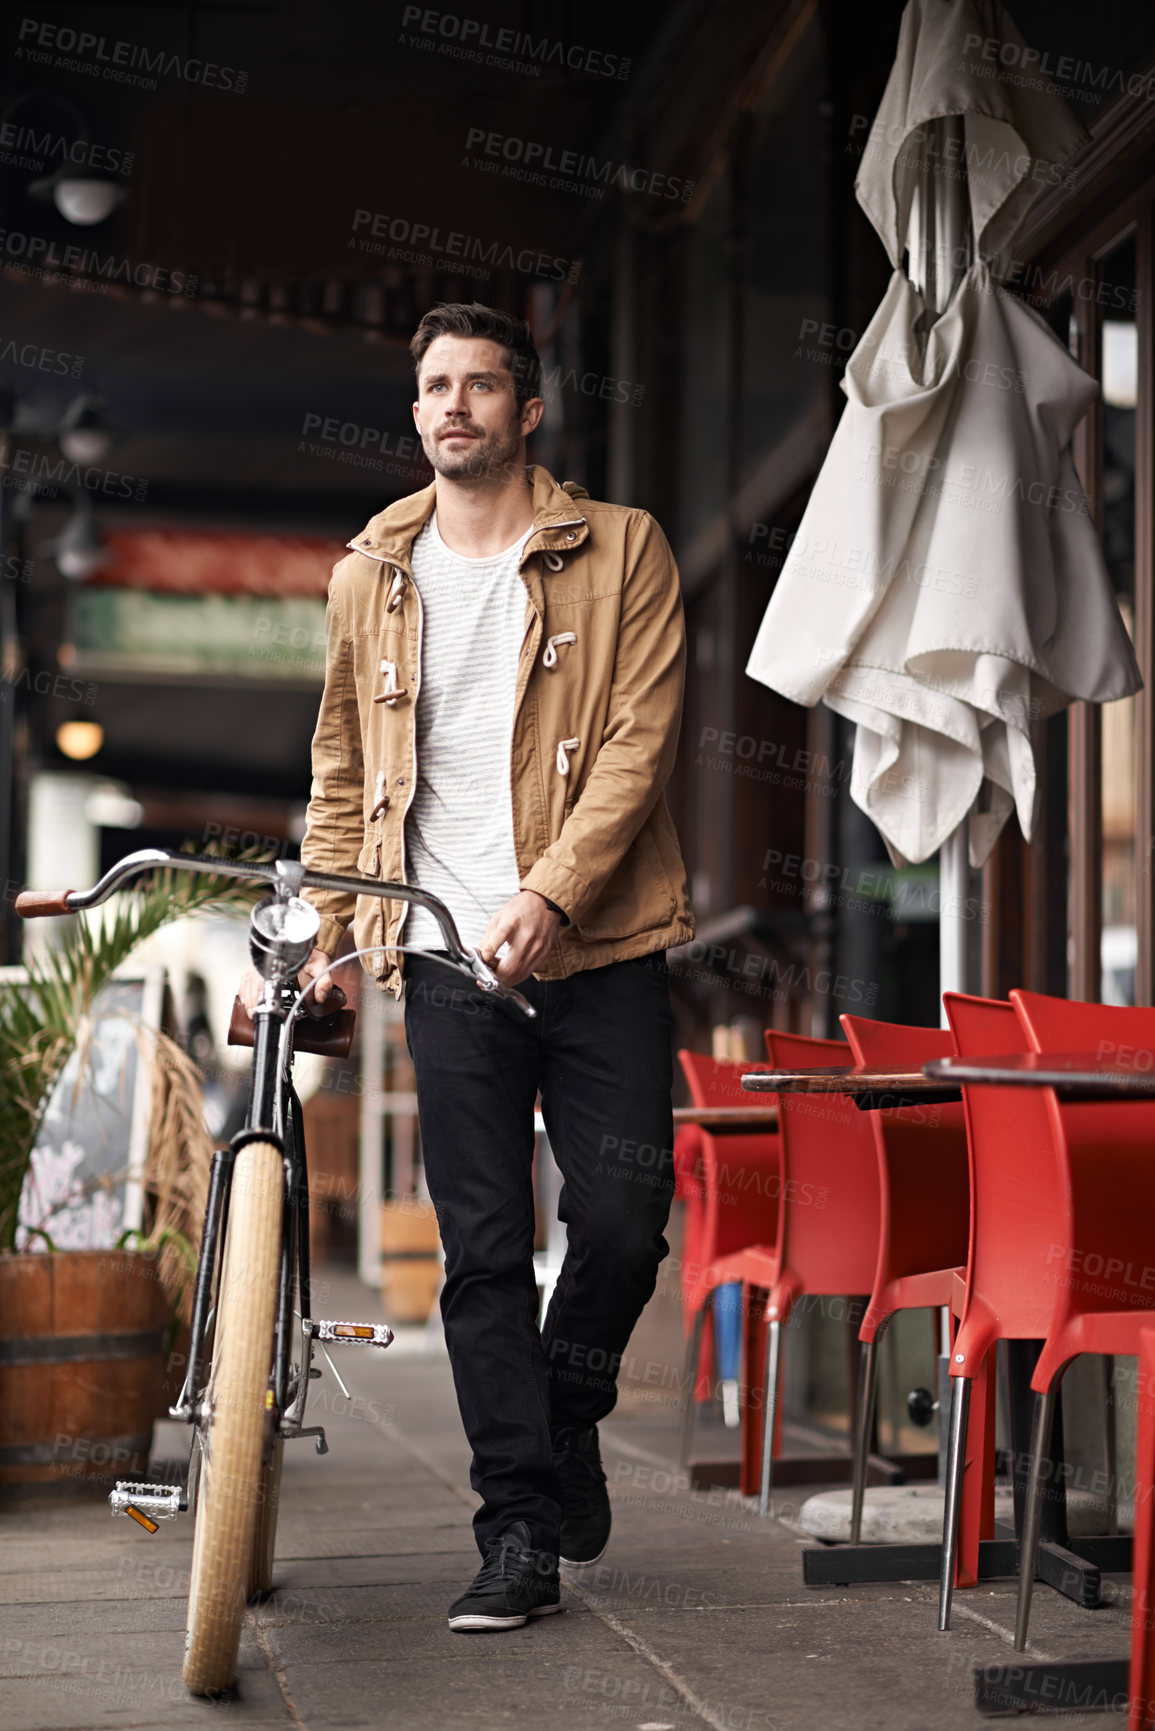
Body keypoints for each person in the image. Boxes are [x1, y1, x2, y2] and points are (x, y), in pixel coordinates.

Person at [245, 301, 693, 1631]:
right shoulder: (368, 573)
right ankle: (518, 1535)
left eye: (480, 386)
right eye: (434, 386)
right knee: (481, 1254)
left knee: (623, 1222)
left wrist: (553, 896)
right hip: (442, 956)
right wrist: (324, 938)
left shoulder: (623, 553)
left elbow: (639, 744)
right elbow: (341, 772)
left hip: (600, 948)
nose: (451, 407)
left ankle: (568, 1408)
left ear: (529, 409)